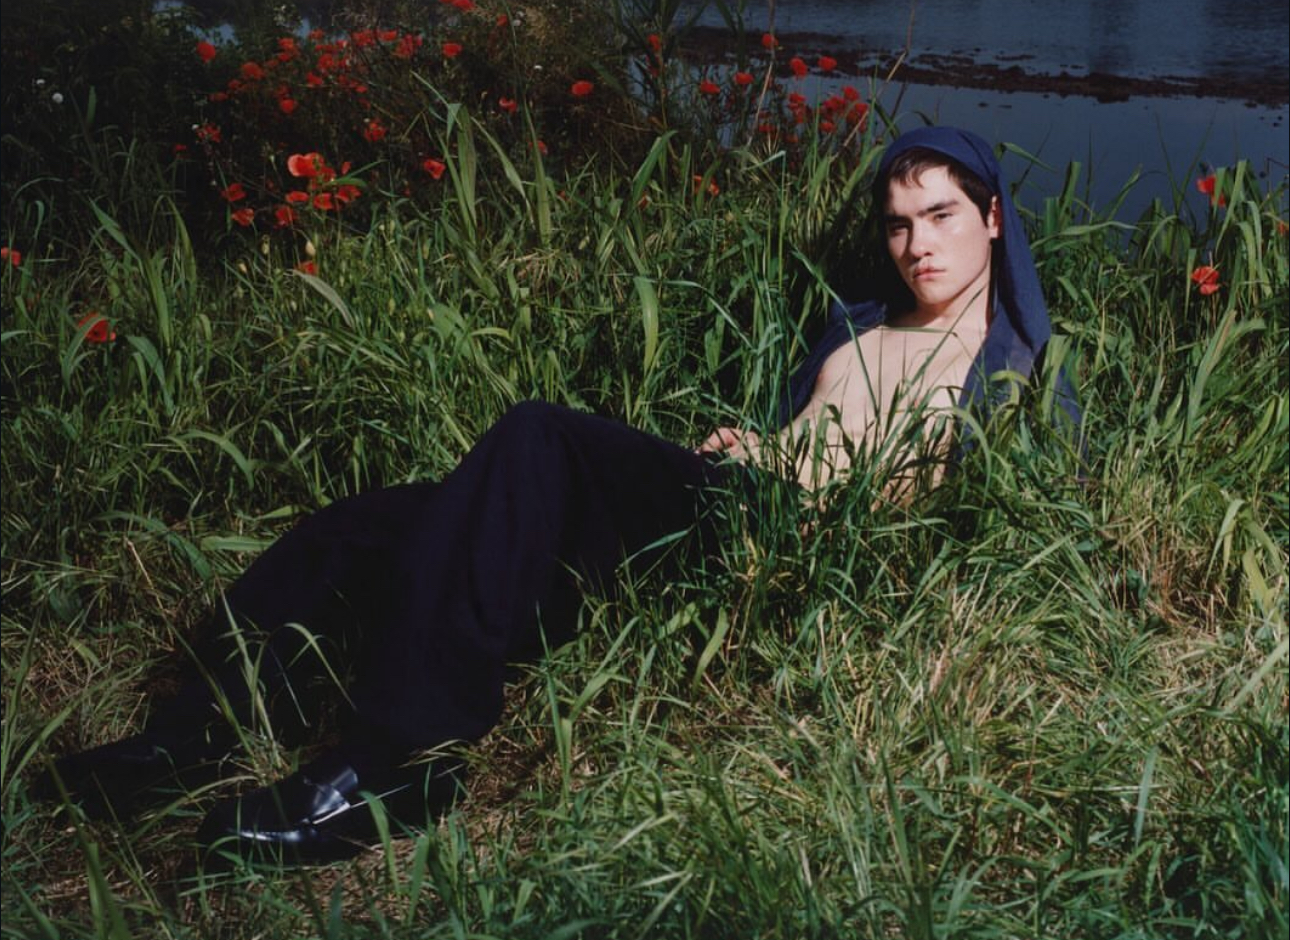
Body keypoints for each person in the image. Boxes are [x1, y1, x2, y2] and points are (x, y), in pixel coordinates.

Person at [38, 126, 1079, 866]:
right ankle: (193, 733)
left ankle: (399, 760)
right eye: (897, 223)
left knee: (539, 431)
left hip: (777, 541)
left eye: (941, 216)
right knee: (376, 520)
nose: (917, 244)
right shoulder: (857, 324)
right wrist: (757, 440)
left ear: (992, 218)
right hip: (727, 493)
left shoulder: (1012, 368)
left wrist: (820, 498)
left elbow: (977, 517)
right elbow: (807, 431)